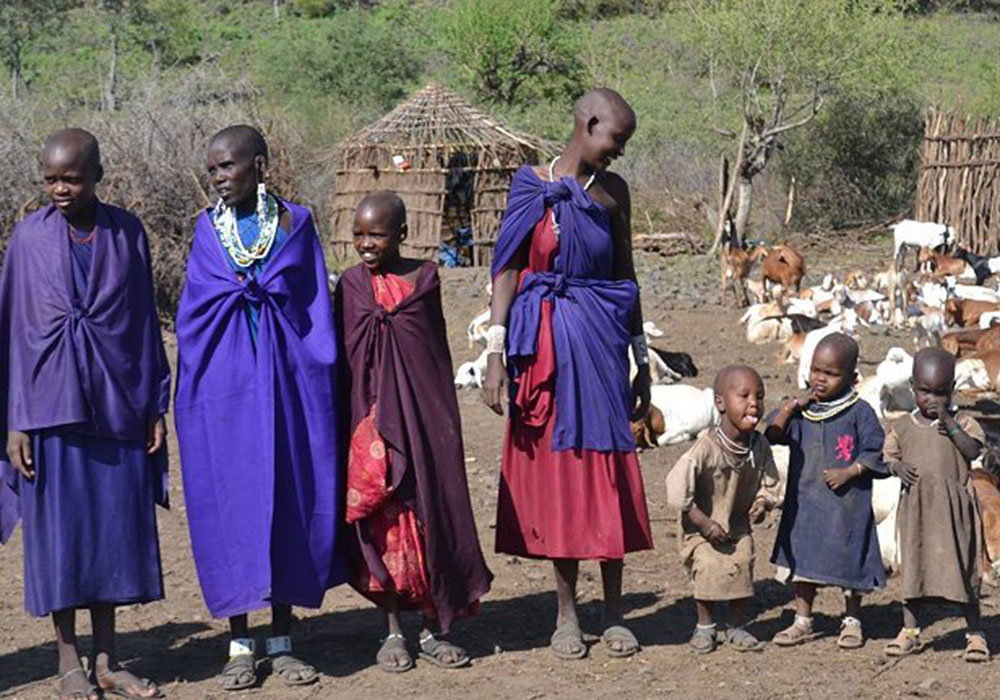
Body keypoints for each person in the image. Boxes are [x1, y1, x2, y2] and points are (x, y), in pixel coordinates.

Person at [482, 88, 653, 660]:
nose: (620, 152)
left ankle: (613, 613)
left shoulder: (613, 193)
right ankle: (565, 615)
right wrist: (495, 351)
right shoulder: (530, 185)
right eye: (617, 140)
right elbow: (507, 269)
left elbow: (626, 279)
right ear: (590, 122)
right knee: (562, 476)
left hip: (601, 346)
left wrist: (641, 359)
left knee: (605, 470)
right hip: (544, 350)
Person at [0, 129, 169, 700]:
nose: (60, 190)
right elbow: (15, 334)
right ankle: (69, 664)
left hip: (117, 403)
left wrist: (154, 406)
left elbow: (144, 321)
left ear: (98, 174)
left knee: (110, 536)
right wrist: (15, 420)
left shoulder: (126, 233)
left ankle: (110, 661)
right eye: (50, 180)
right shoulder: (28, 238)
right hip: (49, 410)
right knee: (60, 541)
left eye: (71, 178)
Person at [174, 125, 344, 690]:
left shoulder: (296, 222)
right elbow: (197, 312)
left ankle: (283, 636)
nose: (219, 179)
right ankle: (240, 640)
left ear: (260, 164)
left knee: (289, 496)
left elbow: (315, 304)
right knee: (235, 504)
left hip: (289, 379)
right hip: (227, 386)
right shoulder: (206, 230)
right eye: (213, 170)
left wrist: (314, 368)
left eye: (228, 166)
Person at [335, 191, 492, 673]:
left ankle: (432, 625)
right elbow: (345, 358)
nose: (365, 244)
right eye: (358, 234)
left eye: (377, 234)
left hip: (421, 418)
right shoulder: (350, 286)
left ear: (402, 234)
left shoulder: (424, 279)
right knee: (382, 525)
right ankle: (391, 630)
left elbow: (431, 356)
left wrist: (436, 421)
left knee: (427, 517)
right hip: (370, 424)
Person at [765, 332, 887, 650]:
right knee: (803, 560)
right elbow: (773, 434)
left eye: (831, 373)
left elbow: (876, 451)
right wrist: (792, 405)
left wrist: (851, 471)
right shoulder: (802, 411)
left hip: (848, 505)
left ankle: (852, 619)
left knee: (852, 558)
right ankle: (803, 619)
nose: (821, 378)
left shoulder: (860, 412)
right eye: (816, 370)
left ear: (852, 377)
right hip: (805, 501)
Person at [882, 348, 990, 662]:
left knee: (964, 569)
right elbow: (888, 457)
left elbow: (971, 452)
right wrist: (896, 468)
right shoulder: (902, 426)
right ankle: (911, 631)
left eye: (941, 393)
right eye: (925, 392)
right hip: (917, 510)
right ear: (913, 388)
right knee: (914, 568)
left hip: (955, 511)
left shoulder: (964, 422)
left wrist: (949, 422)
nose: (933, 399)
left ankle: (974, 632)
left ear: (952, 390)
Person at [666, 365, 781, 654]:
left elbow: (771, 482)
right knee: (707, 568)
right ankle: (705, 626)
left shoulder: (758, 446)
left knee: (742, 565)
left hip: (737, 524)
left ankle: (737, 625)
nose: (753, 403)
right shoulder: (705, 448)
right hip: (701, 526)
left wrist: (762, 503)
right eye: (743, 395)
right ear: (720, 403)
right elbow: (679, 490)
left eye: (759, 396)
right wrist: (704, 523)